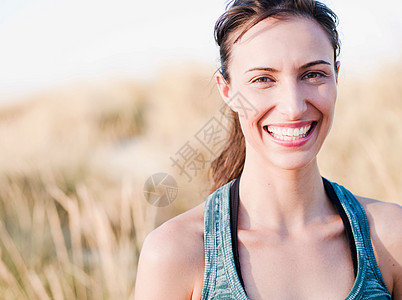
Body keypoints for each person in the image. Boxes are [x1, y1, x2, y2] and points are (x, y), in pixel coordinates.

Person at [134, 0, 402, 298]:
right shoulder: (176, 253)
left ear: (336, 76)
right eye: (263, 79)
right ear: (227, 90)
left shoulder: (391, 237)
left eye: (313, 74)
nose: (293, 107)